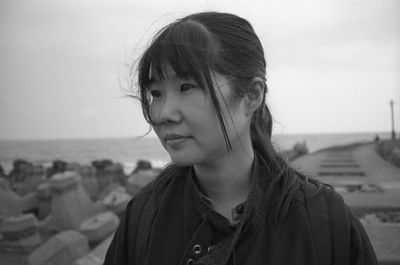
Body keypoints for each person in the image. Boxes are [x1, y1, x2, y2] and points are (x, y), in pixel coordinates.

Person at [104, 12, 378, 265]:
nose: (163, 113)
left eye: (186, 87)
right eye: (156, 93)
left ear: (251, 95)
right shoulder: (142, 216)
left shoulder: (324, 220)